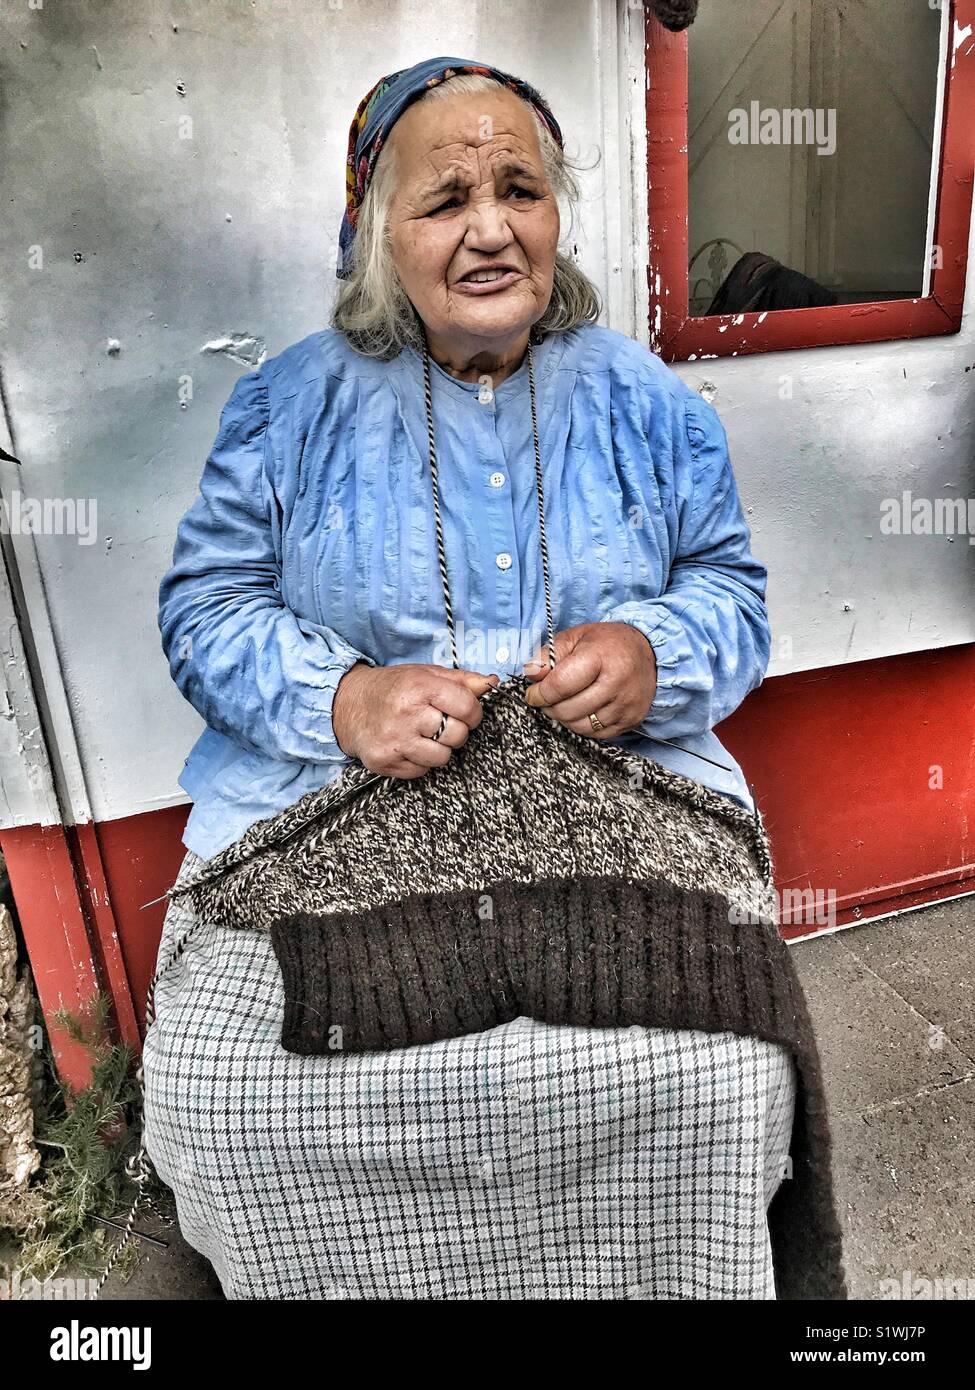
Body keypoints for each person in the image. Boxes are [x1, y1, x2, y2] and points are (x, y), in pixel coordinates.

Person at [145, 57, 797, 1300]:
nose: (493, 228)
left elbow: (733, 592)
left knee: (722, 1072)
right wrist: (344, 700)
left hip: (615, 792)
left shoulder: (650, 404)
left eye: (522, 189)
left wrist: (655, 656)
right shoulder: (286, 407)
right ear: (376, 238)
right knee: (225, 1099)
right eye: (446, 200)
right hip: (331, 808)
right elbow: (206, 611)